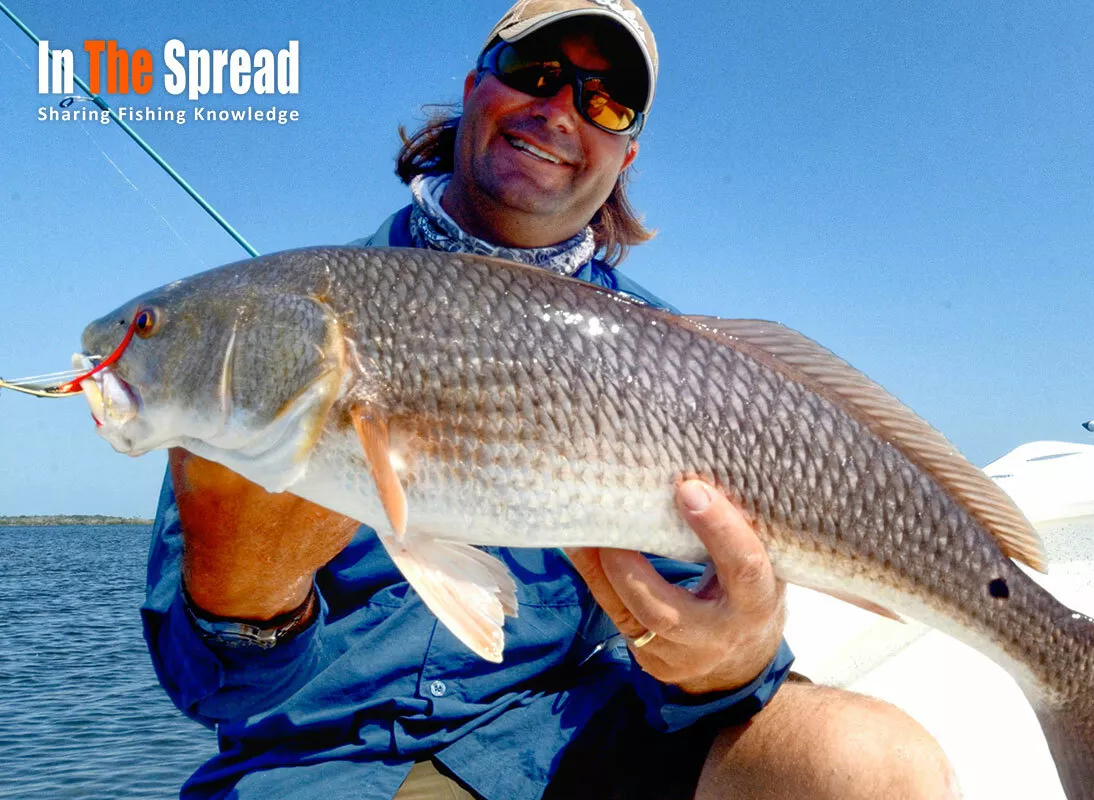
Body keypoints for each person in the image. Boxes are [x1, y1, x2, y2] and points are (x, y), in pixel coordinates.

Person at [144, 2, 958, 798]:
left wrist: (733, 655)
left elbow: (699, 680)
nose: (562, 110)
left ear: (625, 154)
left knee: (872, 766)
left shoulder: (674, 358)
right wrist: (243, 594)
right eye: (536, 72)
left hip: (566, 738)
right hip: (311, 765)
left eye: (605, 101)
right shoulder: (279, 322)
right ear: (474, 89)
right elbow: (211, 692)